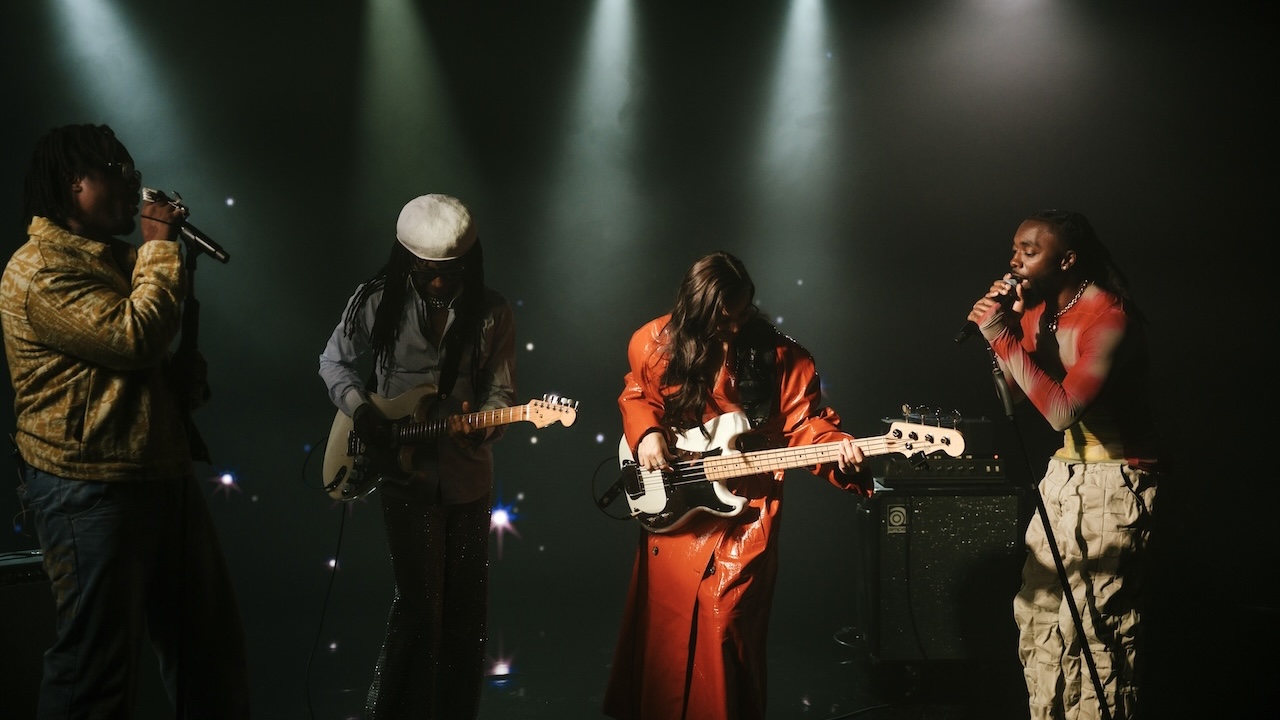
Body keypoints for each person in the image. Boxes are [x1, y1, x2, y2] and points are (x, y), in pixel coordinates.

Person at [1, 123, 250, 717]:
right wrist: (161, 247)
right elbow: (134, 337)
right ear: (74, 184)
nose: (136, 187)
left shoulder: (114, 259)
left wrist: (179, 381)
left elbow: (131, 369)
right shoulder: (40, 271)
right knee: (97, 670)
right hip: (88, 487)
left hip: (158, 474)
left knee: (209, 657)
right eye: (118, 172)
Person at [603, 250, 869, 720]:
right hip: (677, 502)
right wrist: (645, 434)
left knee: (726, 628)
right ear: (695, 310)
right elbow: (637, 393)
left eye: (743, 314)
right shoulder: (655, 342)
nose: (734, 327)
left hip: (746, 510)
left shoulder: (781, 356)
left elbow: (807, 425)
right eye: (723, 319)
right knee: (664, 631)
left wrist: (840, 451)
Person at [317, 193, 516, 719]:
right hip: (403, 480)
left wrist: (484, 431)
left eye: (448, 271)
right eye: (426, 270)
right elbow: (333, 363)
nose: (436, 282)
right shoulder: (376, 301)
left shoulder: (491, 311)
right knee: (419, 607)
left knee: (466, 612)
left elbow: (501, 394)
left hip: (468, 479)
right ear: (407, 259)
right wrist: (361, 411)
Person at [966, 209, 1159, 720]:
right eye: (1014, 249)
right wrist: (1005, 327)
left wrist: (1003, 335)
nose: (1015, 260)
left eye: (1029, 251)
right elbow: (1014, 389)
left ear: (1067, 259)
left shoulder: (1108, 317)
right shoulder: (1041, 310)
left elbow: (1060, 410)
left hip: (1115, 480)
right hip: (1063, 475)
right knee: (1041, 615)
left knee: (1096, 627)